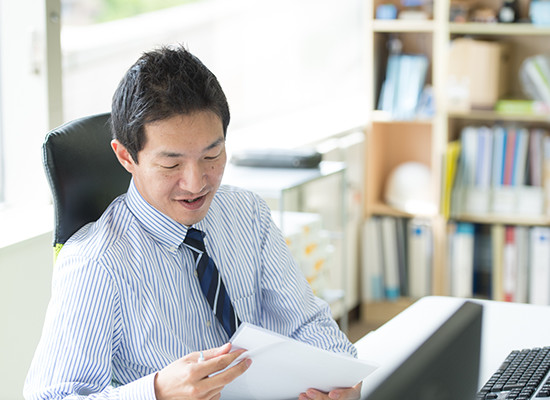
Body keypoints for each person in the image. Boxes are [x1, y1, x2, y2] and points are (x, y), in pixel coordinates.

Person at [24, 45, 361, 400]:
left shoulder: (247, 214)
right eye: (171, 165)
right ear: (126, 157)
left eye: (212, 155)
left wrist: (344, 380)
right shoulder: (96, 264)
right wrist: (156, 393)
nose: (196, 182)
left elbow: (305, 322)